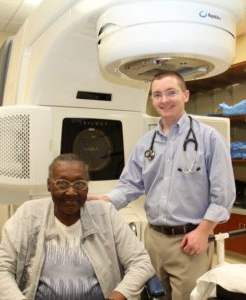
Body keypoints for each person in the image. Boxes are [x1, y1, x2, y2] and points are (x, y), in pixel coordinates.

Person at [89, 71, 236, 300]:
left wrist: (204, 231)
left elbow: (223, 194)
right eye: (157, 94)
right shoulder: (147, 143)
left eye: (171, 92)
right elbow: (130, 185)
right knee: (152, 294)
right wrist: (105, 201)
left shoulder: (209, 139)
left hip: (189, 241)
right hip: (153, 240)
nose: (164, 100)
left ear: (185, 95)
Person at [0, 153, 155, 300]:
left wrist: (117, 296)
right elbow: (1, 269)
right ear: (49, 185)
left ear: (87, 186)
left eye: (79, 184)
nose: (71, 192)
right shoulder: (29, 214)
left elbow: (141, 263)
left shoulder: (106, 214)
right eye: (61, 184)